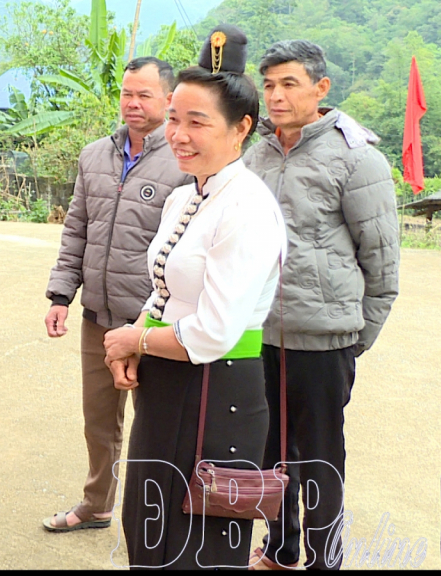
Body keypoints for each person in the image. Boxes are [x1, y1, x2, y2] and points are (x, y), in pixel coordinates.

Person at [102, 24, 286, 568]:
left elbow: (212, 332)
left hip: (217, 391)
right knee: (148, 526)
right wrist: (136, 339)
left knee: (194, 543)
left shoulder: (247, 207)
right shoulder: (184, 196)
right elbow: (163, 287)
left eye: (197, 122)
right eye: (174, 119)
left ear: (241, 128)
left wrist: (134, 339)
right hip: (167, 381)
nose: (179, 134)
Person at [243, 40, 399, 571]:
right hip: (259, 333)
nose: (276, 96)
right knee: (268, 450)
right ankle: (282, 549)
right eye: (269, 85)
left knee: (319, 459)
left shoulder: (357, 158)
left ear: (320, 88)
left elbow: (382, 264)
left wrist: (355, 338)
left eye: (289, 84)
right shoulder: (256, 153)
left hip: (325, 342)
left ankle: (324, 560)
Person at [42, 56, 190, 532]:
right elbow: (76, 230)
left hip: (156, 323)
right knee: (100, 422)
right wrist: (61, 295)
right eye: (127, 93)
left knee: (158, 425)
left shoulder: (184, 161)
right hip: (99, 316)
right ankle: (97, 504)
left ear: (169, 99)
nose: (133, 103)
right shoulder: (94, 156)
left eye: (145, 94)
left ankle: (156, 518)